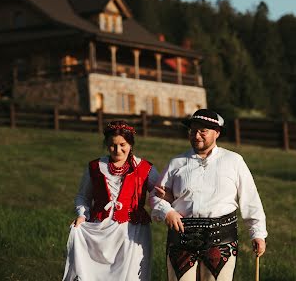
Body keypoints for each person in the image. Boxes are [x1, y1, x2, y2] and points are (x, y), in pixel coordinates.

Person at [151, 109, 267, 281]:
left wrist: (257, 233)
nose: (196, 136)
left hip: (221, 239)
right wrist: (166, 211)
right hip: (181, 239)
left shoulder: (234, 161)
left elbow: (250, 199)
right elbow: (155, 196)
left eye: (203, 131)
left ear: (217, 133)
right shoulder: (176, 163)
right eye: (193, 131)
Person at [62, 120, 159, 281]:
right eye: (113, 145)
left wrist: (162, 203)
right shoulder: (95, 167)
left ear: (130, 144)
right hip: (100, 229)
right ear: (107, 144)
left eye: (123, 145)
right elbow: (83, 196)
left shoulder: (144, 168)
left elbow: (158, 194)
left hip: (132, 231)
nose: (118, 150)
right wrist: (82, 215)